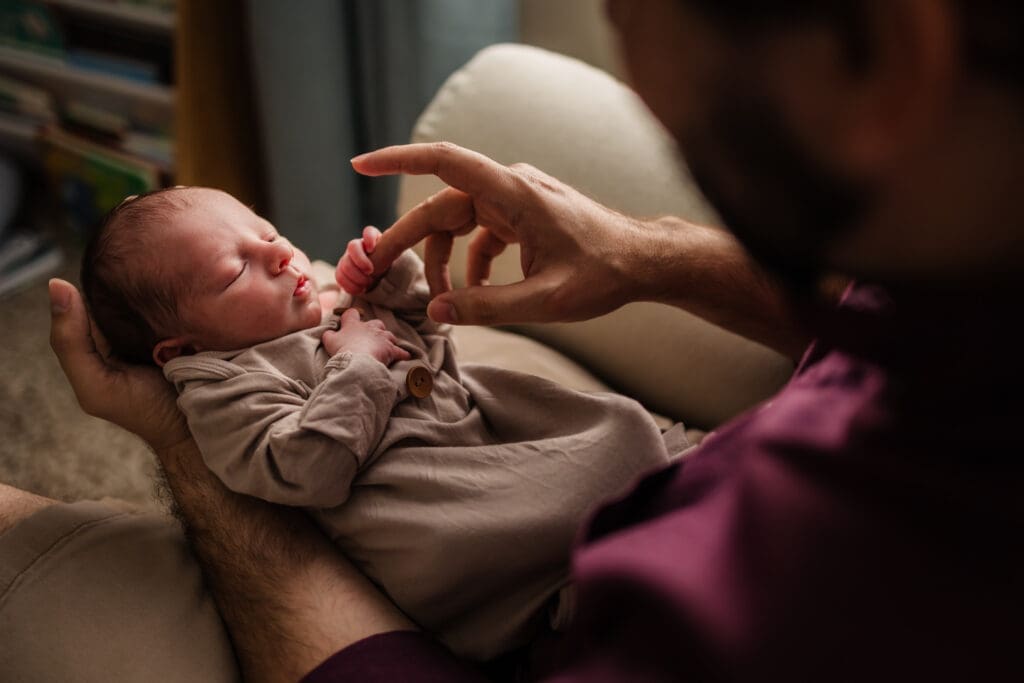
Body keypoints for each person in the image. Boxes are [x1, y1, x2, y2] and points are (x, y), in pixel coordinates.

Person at [4, 0, 1022, 680]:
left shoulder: (826, 582)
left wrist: (172, 438)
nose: (630, 61)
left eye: (628, 13)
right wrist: (645, 250)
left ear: (892, 56)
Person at [79, 185, 683, 661]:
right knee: (593, 486)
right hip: (441, 517)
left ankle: (626, 534)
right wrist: (358, 365)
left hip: (486, 438)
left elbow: (429, 334)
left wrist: (389, 281)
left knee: (618, 432)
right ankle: (592, 570)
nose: (279, 253)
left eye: (266, 233)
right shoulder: (221, 385)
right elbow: (303, 470)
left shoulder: (326, 306)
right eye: (236, 270)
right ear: (179, 351)